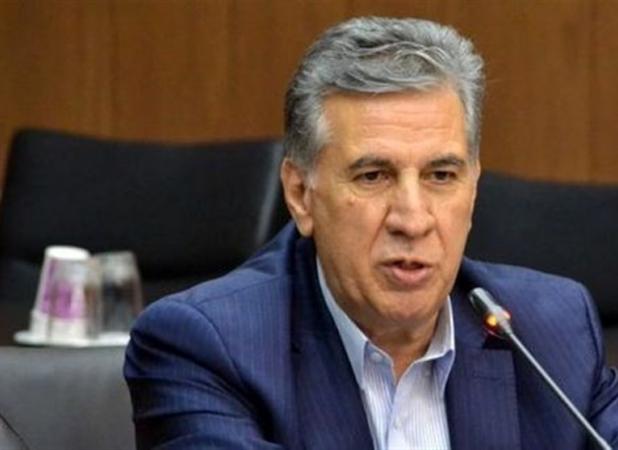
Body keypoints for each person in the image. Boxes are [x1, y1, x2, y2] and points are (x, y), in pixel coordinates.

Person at [124, 16, 618, 450]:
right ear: (301, 194)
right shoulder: (205, 348)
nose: (413, 220)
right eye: (373, 176)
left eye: (441, 175)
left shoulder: (551, 333)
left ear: (473, 189)